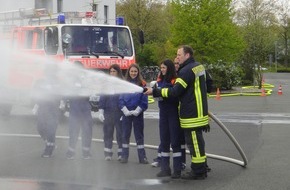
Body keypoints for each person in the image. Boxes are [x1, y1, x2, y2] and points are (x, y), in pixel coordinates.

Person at [145, 45, 211, 180]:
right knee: (198, 142)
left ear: (187, 55)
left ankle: (198, 171)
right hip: (200, 111)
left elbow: (175, 91)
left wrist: (156, 91)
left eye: (179, 55)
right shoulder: (199, 67)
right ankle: (202, 167)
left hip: (191, 113)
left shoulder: (186, 71)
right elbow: (209, 84)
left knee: (194, 144)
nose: (177, 57)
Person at [152, 59, 185, 179]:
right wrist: (155, 94)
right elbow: (158, 94)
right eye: (161, 68)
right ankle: (165, 169)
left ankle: (177, 170)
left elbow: (174, 95)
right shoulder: (160, 80)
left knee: (175, 142)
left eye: (164, 68)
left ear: (169, 68)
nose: (162, 70)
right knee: (164, 140)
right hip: (163, 114)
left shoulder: (174, 80)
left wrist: (159, 93)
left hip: (172, 113)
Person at [119, 64, 149, 164]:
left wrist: (138, 110)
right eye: (132, 71)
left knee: (139, 136)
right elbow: (121, 99)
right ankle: (124, 156)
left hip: (138, 114)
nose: (133, 73)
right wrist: (124, 109)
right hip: (126, 113)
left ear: (138, 72)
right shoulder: (124, 84)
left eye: (135, 71)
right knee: (125, 135)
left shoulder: (142, 84)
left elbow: (144, 100)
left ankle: (142, 158)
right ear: (129, 72)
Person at [65, 63, 93, 160]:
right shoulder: (70, 80)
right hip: (74, 108)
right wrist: (65, 107)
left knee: (87, 130)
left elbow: (90, 92)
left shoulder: (86, 79)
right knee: (73, 130)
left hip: (85, 107)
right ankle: (71, 151)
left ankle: (86, 152)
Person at [32, 64, 61, 158]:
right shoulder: (40, 82)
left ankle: (49, 149)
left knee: (51, 129)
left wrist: (62, 103)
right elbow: (37, 95)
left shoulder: (58, 83)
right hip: (43, 108)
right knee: (40, 127)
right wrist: (36, 106)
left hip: (53, 108)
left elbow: (62, 94)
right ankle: (49, 142)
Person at [98, 64, 124, 161]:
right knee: (108, 133)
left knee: (120, 134)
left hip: (119, 112)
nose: (112, 73)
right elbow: (103, 98)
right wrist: (101, 110)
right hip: (108, 112)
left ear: (118, 72)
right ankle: (108, 153)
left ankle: (121, 153)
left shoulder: (122, 83)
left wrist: (123, 113)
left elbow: (124, 98)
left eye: (114, 71)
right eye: (111, 71)